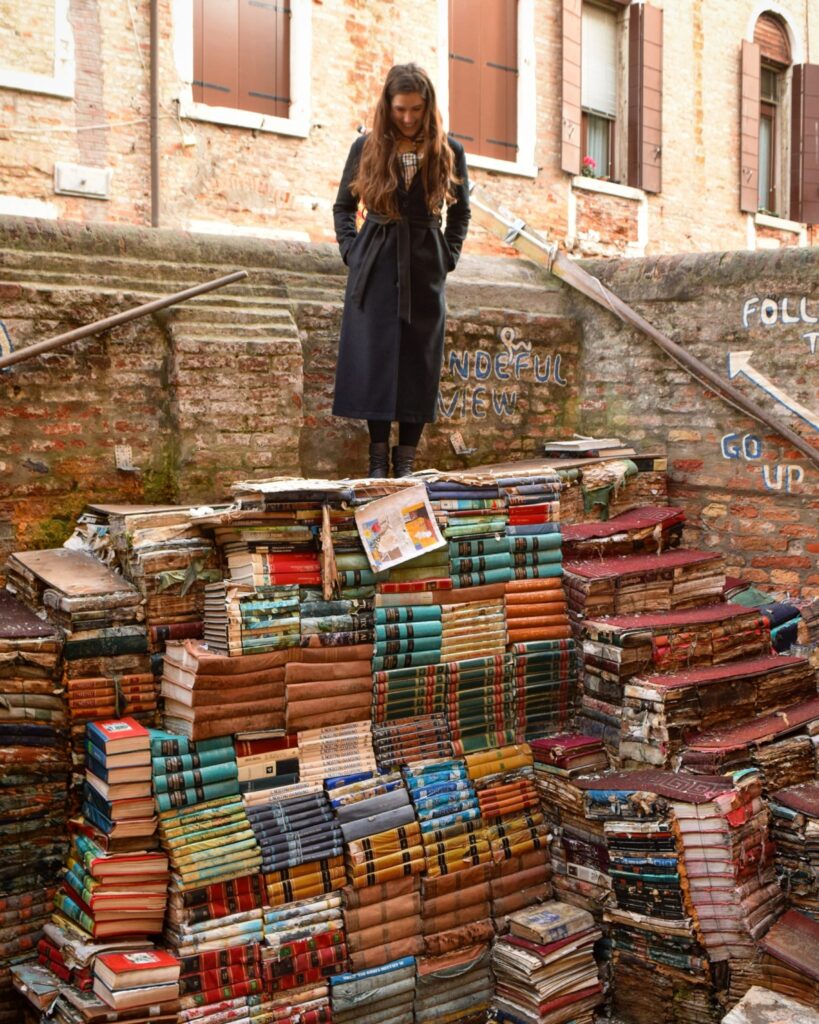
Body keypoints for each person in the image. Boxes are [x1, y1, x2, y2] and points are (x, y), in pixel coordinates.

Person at [332, 63, 471, 478]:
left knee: (418, 360)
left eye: (415, 109)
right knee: (375, 358)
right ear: (387, 107)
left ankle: (405, 461)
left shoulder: (450, 151)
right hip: (374, 262)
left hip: (425, 265)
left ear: (427, 106)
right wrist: (352, 252)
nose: (407, 118)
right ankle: (377, 460)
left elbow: (461, 213)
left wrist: (447, 256)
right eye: (399, 109)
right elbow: (343, 207)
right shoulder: (367, 147)